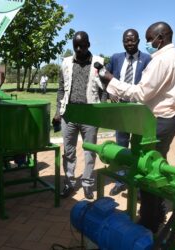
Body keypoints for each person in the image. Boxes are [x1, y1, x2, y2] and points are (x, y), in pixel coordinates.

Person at [98, 21, 175, 234]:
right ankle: (157, 210)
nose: (149, 44)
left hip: (155, 121)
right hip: (172, 119)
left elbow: (140, 93)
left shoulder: (160, 60)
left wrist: (112, 81)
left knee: (146, 171)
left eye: (150, 39)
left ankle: (150, 220)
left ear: (161, 38)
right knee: (158, 164)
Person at [53, 31, 105, 200]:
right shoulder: (66, 62)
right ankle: (69, 183)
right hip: (69, 115)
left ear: (88, 45)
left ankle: (88, 184)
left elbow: (104, 89)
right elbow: (61, 88)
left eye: (82, 45)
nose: (78, 49)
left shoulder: (99, 62)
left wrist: (102, 110)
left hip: (90, 115)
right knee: (68, 152)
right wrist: (57, 112)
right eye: (75, 45)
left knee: (90, 152)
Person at [106, 28, 151, 196]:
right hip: (121, 110)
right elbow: (104, 75)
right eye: (126, 40)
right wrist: (110, 92)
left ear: (138, 41)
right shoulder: (116, 58)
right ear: (122, 42)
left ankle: (138, 183)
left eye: (132, 40)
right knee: (121, 145)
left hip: (140, 110)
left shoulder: (147, 59)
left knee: (138, 147)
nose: (129, 43)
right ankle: (120, 180)